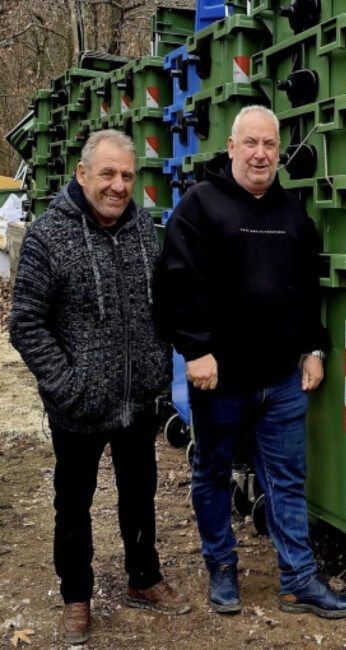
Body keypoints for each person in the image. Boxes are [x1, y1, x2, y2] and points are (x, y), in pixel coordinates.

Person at [155, 105, 346, 619]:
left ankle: (298, 581)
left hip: (281, 381)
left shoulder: (291, 213)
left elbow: (306, 290)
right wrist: (195, 350)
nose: (261, 154)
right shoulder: (199, 207)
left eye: (270, 144)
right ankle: (222, 568)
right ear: (230, 147)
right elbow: (174, 286)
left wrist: (314, 348)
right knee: (213, 472)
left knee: (288, 478)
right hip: (220, 379)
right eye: (251, 143)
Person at [10, 130, 191, 645]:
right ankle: (76, 596)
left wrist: (160, 367)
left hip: (137, 399)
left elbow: (161, 305)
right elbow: (26, 325)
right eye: (108, 174)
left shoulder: (144, 230)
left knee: (140, 493)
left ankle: (143, 578)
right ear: (82, 173)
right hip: (78, 407)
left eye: (127, 176)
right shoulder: (49, 236)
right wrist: (67, 387)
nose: (118, 186)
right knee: (74, 502)